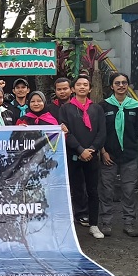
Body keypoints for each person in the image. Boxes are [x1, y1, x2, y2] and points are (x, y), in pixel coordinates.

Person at [59, 74, 106, 239]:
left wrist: (91, 149)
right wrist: (80, 150)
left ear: (90, 88)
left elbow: (102, 133)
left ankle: (94, 224)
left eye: (85, 84)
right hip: (73, 156)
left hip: (92, 156)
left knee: (93, 191)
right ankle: (71, 225)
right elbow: (65, 132)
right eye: (78, 84)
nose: (82, 87)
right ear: (73, 89)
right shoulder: (66, 109)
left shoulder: (97, 109)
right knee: (73, 189)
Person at [98, 72, 138, 237]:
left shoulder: (135, 106)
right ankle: (106, 222)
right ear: (112, 86)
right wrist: (103, 151)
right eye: (117, 83)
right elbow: (100, 131)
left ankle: (129, 223)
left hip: (129, 156)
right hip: (108, 155)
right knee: (106, 190)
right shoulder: (103, 106)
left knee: (129, 190)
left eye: (124, 82)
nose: (121, 85)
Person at [50, 76, 88, 226]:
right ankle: (60, 213)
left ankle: (81, 213)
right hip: (56, 152)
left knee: (78, 183)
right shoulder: (50, 107)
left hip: (76, 150)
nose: (62, 92)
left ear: (71, 89)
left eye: (65, 88)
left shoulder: (79, 106)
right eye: (59, 89)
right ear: (55, 91)